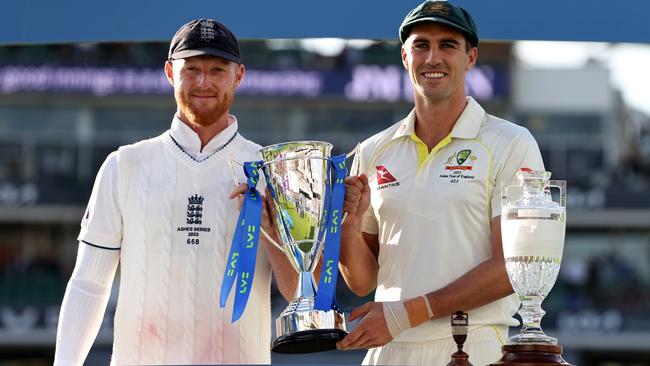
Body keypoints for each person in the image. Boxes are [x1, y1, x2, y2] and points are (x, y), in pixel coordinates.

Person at [53, 19, 296, 365]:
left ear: (238, 76)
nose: (203, 82)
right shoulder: (123, 165)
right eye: (192, 69)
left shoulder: (271, 171)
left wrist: (271, 231)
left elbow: (300, 292)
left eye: (217, 70)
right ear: (170, 72)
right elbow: (89, 284)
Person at [336, 1, 545, 365]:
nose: (433, 57)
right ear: (405, 56)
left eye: (448, 45)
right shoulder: (373, 150)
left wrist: (407, 313)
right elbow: (362, 281)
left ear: (470, 58)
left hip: (472, 346)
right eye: (421, 45)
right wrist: (349, 231)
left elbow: (514, 266)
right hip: (388, 349)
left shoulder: (511, 142)